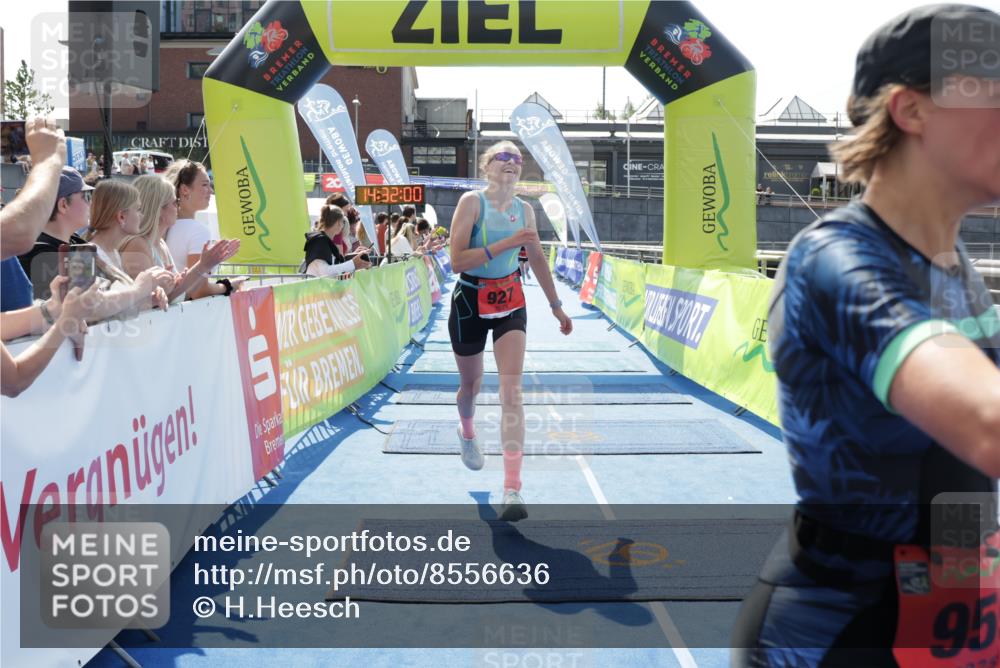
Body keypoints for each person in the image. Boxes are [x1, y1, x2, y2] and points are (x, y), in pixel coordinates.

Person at [732, 6, 1000, 666]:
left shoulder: (958, 269)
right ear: (913, 110)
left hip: (951, 619)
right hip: (834, 635)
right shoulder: (835, 262)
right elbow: (987, 426)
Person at [447, 141, 572, 521]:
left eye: (518, 160)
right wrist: (506, 243)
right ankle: (467, 432)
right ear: (487, 167)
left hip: (509, 303)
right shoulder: (472, 203)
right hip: (469, 299)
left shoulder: (525, 211)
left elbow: (535, 256)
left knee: (511, 393)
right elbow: (456, 261)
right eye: (504, 157)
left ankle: (512, 488)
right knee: (470, 386)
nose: (512, 164)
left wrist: (556, 306)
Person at [121, 175, 241, 302]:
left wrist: (208, 264)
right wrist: (203, 266)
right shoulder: (137, 244)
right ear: (158, 209)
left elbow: (180, 294)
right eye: (174, 203)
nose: (178, 207)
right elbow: (152, 303)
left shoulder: (160, 243)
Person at [164, 159, 237, 299]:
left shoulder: (164, 226)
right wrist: (229, 285)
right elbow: (197, 291)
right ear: (185, 189)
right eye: (205, 185)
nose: (211, 190)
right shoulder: (198, 230)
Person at [18, 166, 94, 300]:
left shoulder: (75, 241)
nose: (91, 203)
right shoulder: (38, 253)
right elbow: (84, 307)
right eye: (86, 197)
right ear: (63, 205)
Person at [302, 204, 371, 278]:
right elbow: (324, 272)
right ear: (338, 222)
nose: (343, 225)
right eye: (343, 222)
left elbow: (333, 264)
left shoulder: (323, 240)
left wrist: (355, 257)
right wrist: (353, 264)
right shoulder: (320, 241)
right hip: (315, 288)